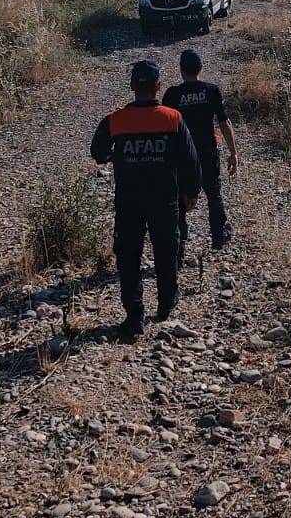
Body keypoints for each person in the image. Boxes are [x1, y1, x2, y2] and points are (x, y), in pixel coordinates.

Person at [90, 58, 202, 340]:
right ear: (158, 86)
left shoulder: (115, 120)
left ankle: (134, 316)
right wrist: (191, 192)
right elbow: (190, 161)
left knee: (128, 258)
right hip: (165, 200)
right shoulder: (173, 118)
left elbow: (98, 153)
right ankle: (165, 306)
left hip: (129, 202)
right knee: (166, 254)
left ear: (131, 86)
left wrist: (118, 155)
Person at [163, 48, 237, 259]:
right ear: (201, 68)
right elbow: (224, 122)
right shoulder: (211, 90)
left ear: (180, 70)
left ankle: (179, 244)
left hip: (182, 156)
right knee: (213, 194)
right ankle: (218, 237)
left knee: (178, 199)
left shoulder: (172, 94)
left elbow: (164, 128)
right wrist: (233, 152)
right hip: (207, 152)